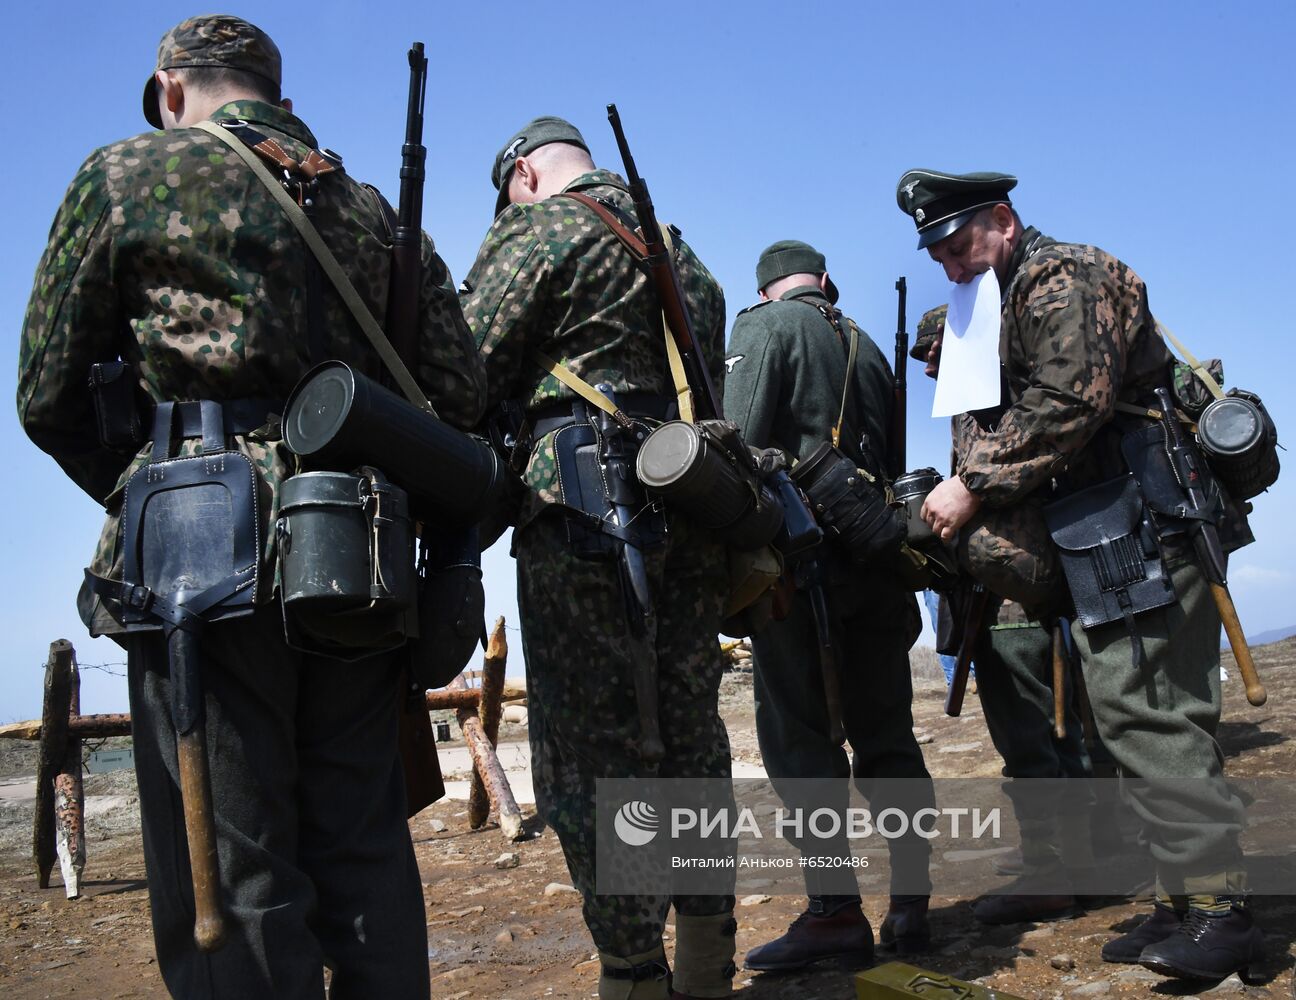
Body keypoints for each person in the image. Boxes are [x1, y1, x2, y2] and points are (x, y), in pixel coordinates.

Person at [18, 15, 486, 998]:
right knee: (364, 857)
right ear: (274, 91)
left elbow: (47, 389)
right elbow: (457, 392)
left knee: (231, 872)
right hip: (355, 546)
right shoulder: (371, 212)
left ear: (169, 88)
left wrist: (147, 484)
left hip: (196, 558)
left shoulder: (123, 173)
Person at [896, 168, 1263, 980]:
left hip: (1148, 518)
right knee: (1124, 711)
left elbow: (1069, 398)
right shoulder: (1001, 290)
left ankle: (1220, 912)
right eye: (940, 256)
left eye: (961, 245)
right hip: (1107, 526)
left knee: (1152, 710)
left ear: (1003, 218)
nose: (953, 266)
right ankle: (1181, 900)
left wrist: (974, 480)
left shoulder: (1066, 275)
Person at [459, 116, 736, 1000]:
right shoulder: (680, 251)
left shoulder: (538, 230)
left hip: (579, 506)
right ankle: (705, 959)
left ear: (527, 177)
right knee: (690, 724)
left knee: (589, 749)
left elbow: (463, 366)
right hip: (690, 500)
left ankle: (632, 973)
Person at [723, 241, 934, 969]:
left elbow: (734, 443)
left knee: (798, 740)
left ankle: (834, 910)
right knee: (888, 736)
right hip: (878, 561)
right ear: (824, 283)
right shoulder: (869, 346)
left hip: (801, 573)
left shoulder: (765, 326)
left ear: (765, 290)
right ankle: (912, 900)